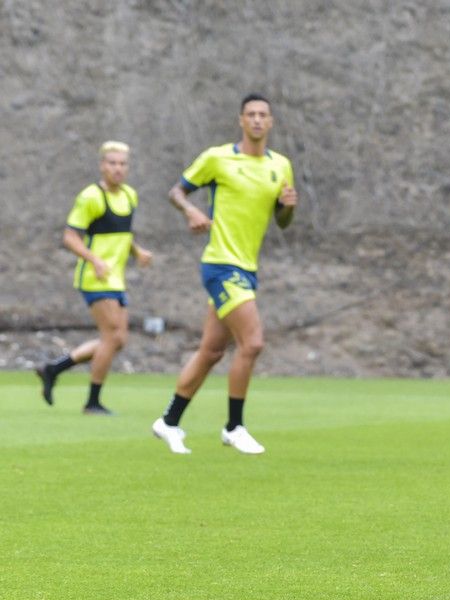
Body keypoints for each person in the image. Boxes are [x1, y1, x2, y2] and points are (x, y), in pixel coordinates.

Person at [151, 93, 296, 455]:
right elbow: (176, 191)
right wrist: (190, 212)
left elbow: (282, 221)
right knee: (253, 343)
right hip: (220, 264)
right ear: (241, 121)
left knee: (213, 350)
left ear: (271, 122)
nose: (258, 120)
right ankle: (234, 427)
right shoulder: (218, 158)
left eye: (264, 114)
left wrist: (287, 208)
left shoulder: (281, 165)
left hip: (247, 267)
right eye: (251, 114)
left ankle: (168, 421)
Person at [37, 141, 153, 414]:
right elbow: (69, 237)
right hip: (94, 277)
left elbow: (121, 232)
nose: (118, 168)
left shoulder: (130, 196)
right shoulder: (90, 197)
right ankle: (92, 401)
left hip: (116, 278)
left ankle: (54, 368)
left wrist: (137, 251)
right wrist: (95, 260)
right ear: (102, 165)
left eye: (122, 164)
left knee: (118, 340)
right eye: (112, 163)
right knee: (112, 338)